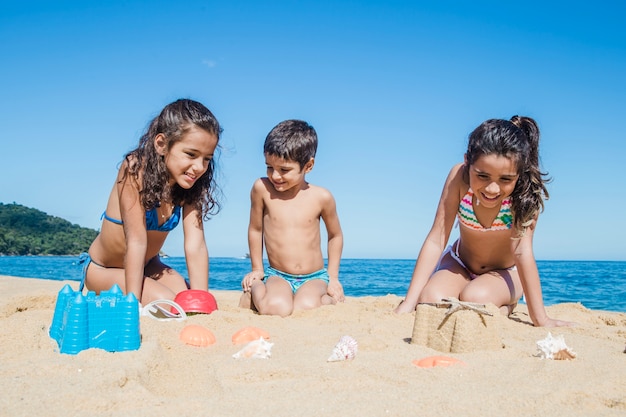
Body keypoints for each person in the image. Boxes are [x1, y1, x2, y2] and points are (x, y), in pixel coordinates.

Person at [394, 116, 573, 327]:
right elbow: (437, 238)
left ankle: (508, 303)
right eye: (482, 176)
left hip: (505, 273)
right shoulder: (458, 179)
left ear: (519, 174)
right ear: (467, 162)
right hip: (459, 263)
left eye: (505, 179)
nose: (492, 189)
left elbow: (522, 252)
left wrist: (540, 318)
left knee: (475, 298)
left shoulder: (523, 196)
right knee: (432, 300)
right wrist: (408, 303)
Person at [81, 99, 222, 305]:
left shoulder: (191, 185)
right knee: (166, 302)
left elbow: (196, 244)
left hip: (150, 266)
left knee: (186, 300)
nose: (199, 167)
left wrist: (201, 302)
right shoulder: (135, 169)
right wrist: (133, 304)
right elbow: (136, 241)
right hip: (104, 269)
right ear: (161, 144)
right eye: (191, 154)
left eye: (207, 158)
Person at [239, 120, 344, 316]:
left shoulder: (322, 197)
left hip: (314, 277)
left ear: (308, 165)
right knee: (276, 308)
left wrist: (333, 277)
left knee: (305, 308)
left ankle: (325, 298)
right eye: (269, 167)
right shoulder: (261, 189)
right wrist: (257, 269)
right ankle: (253, 291)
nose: (275, 176)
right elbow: (255, 229)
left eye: (284, 170)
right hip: (278, 275)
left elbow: (335, 236)